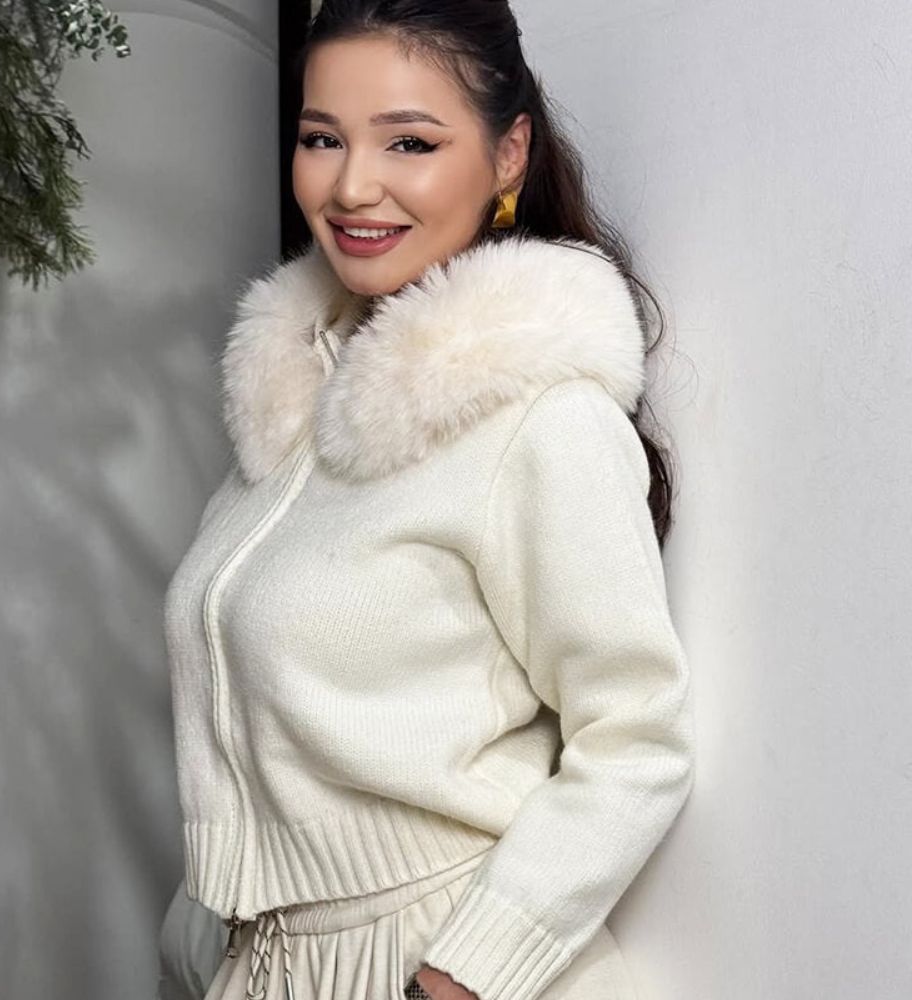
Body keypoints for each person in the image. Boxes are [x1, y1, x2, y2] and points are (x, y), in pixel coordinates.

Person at [158, 2, 696, 1000]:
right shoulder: (284, 426)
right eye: (322, 138)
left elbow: (638, 739)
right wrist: (202, 936)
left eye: (409, 140)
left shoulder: (536, 418)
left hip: (435, 963)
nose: (352, 185)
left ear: (507, 154)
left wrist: (461, 974)